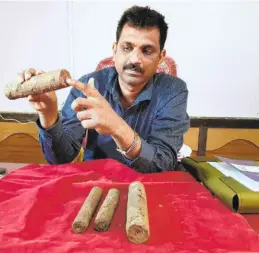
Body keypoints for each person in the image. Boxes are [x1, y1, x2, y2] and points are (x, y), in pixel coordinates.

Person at [18, 5, 190, 173]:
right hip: (95, 181)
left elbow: (163, 163)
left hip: (148, 186)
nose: (135, 59)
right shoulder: (89, 85)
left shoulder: (173, 91)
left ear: (160, 57)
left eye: (147, 50)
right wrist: (48, 114)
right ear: (115, 51)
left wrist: (117, 127)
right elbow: (62, 159)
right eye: (127, 48)